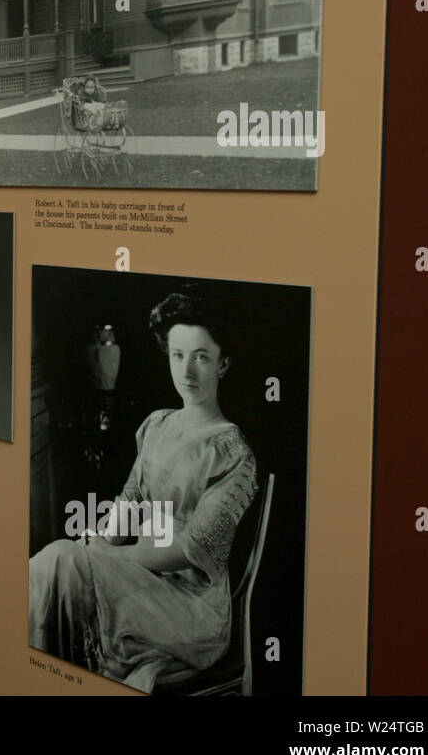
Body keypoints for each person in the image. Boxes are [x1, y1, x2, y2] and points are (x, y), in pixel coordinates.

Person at [28, 288, 259, 694]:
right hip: (137, 582)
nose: (187, 372)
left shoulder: (232, 451)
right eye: (177, 355)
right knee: (56, 563)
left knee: (64, 562)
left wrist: (107, 558)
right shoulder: (158, 425)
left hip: (190, 609)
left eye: (201, 357)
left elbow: (191, 549)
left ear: (223, 364)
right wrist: (97, 545)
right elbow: (131, 501)